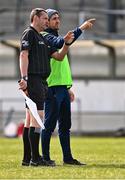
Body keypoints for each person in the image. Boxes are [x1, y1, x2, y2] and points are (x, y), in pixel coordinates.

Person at [19, 8, 74, 167]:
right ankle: (36, 159)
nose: (46, 21)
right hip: (34, 79)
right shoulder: (29, 33)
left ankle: (27, 158)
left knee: (30, 120)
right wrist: (24, 78)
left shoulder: (41, 37)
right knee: (38, 118)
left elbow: (58, 56)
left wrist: (67, 43)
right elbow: (23, 55)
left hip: (42, 81)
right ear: (35, 18)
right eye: (44, 18)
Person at [41, 9, 95, 166]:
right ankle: (45, 157)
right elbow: (63, 43)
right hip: (52, 88)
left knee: (65, 126)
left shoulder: (56, 38)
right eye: (54, 18)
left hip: (62, 88)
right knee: (49, 125)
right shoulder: (45, 37)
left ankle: (68, 158)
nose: (58, 21)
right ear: (46, 22)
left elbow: (62, 59)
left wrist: (67, 87)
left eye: (58, 18)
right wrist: (82, 28)